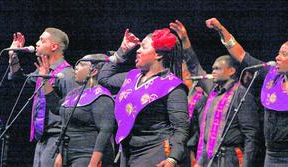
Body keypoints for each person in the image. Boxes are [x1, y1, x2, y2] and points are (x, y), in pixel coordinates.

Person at [169, 20, 261, 167]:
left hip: (230, 158)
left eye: (217, 68)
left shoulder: (241, 94)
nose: (213, 71)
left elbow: (251, 135)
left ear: (231, 71)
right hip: (209, 156)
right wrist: (185, 40)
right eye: (213, 68)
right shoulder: (213, 90)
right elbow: (195, 67)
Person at [98, 28, 190, 167]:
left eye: (144, 47)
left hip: (155, 152)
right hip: (128, 151)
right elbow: (104, 79)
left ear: (158, 54)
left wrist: (172, 158)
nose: (138, 50)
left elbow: (180, 127)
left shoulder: (172, 86)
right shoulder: (132, 76)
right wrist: (122, 51)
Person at [205, 17, 288, 167]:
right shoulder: (271, 76)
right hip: (271, 155)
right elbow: (242, 55)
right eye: (278, 53)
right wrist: (221, 29)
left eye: (284, 54)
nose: (277, 57)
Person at [8, 28, 77, 167]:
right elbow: (21, 83)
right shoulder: (43, 71)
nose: (37, 43)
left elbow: (72, 116)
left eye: (42, 40)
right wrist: (13, 56)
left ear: (54, 46)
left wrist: (62, 152)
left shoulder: (67, 75)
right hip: (42, 140)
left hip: (57, 139)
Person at [50, 54, 116, 167]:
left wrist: (94, 163)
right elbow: (56, 109)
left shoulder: (101, 96)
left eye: (82, 64)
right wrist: (60, 153)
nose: (76, 67)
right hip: (67, 154)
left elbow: (105, 131)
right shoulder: (74, 93)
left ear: (93, 71)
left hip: (86, 156)